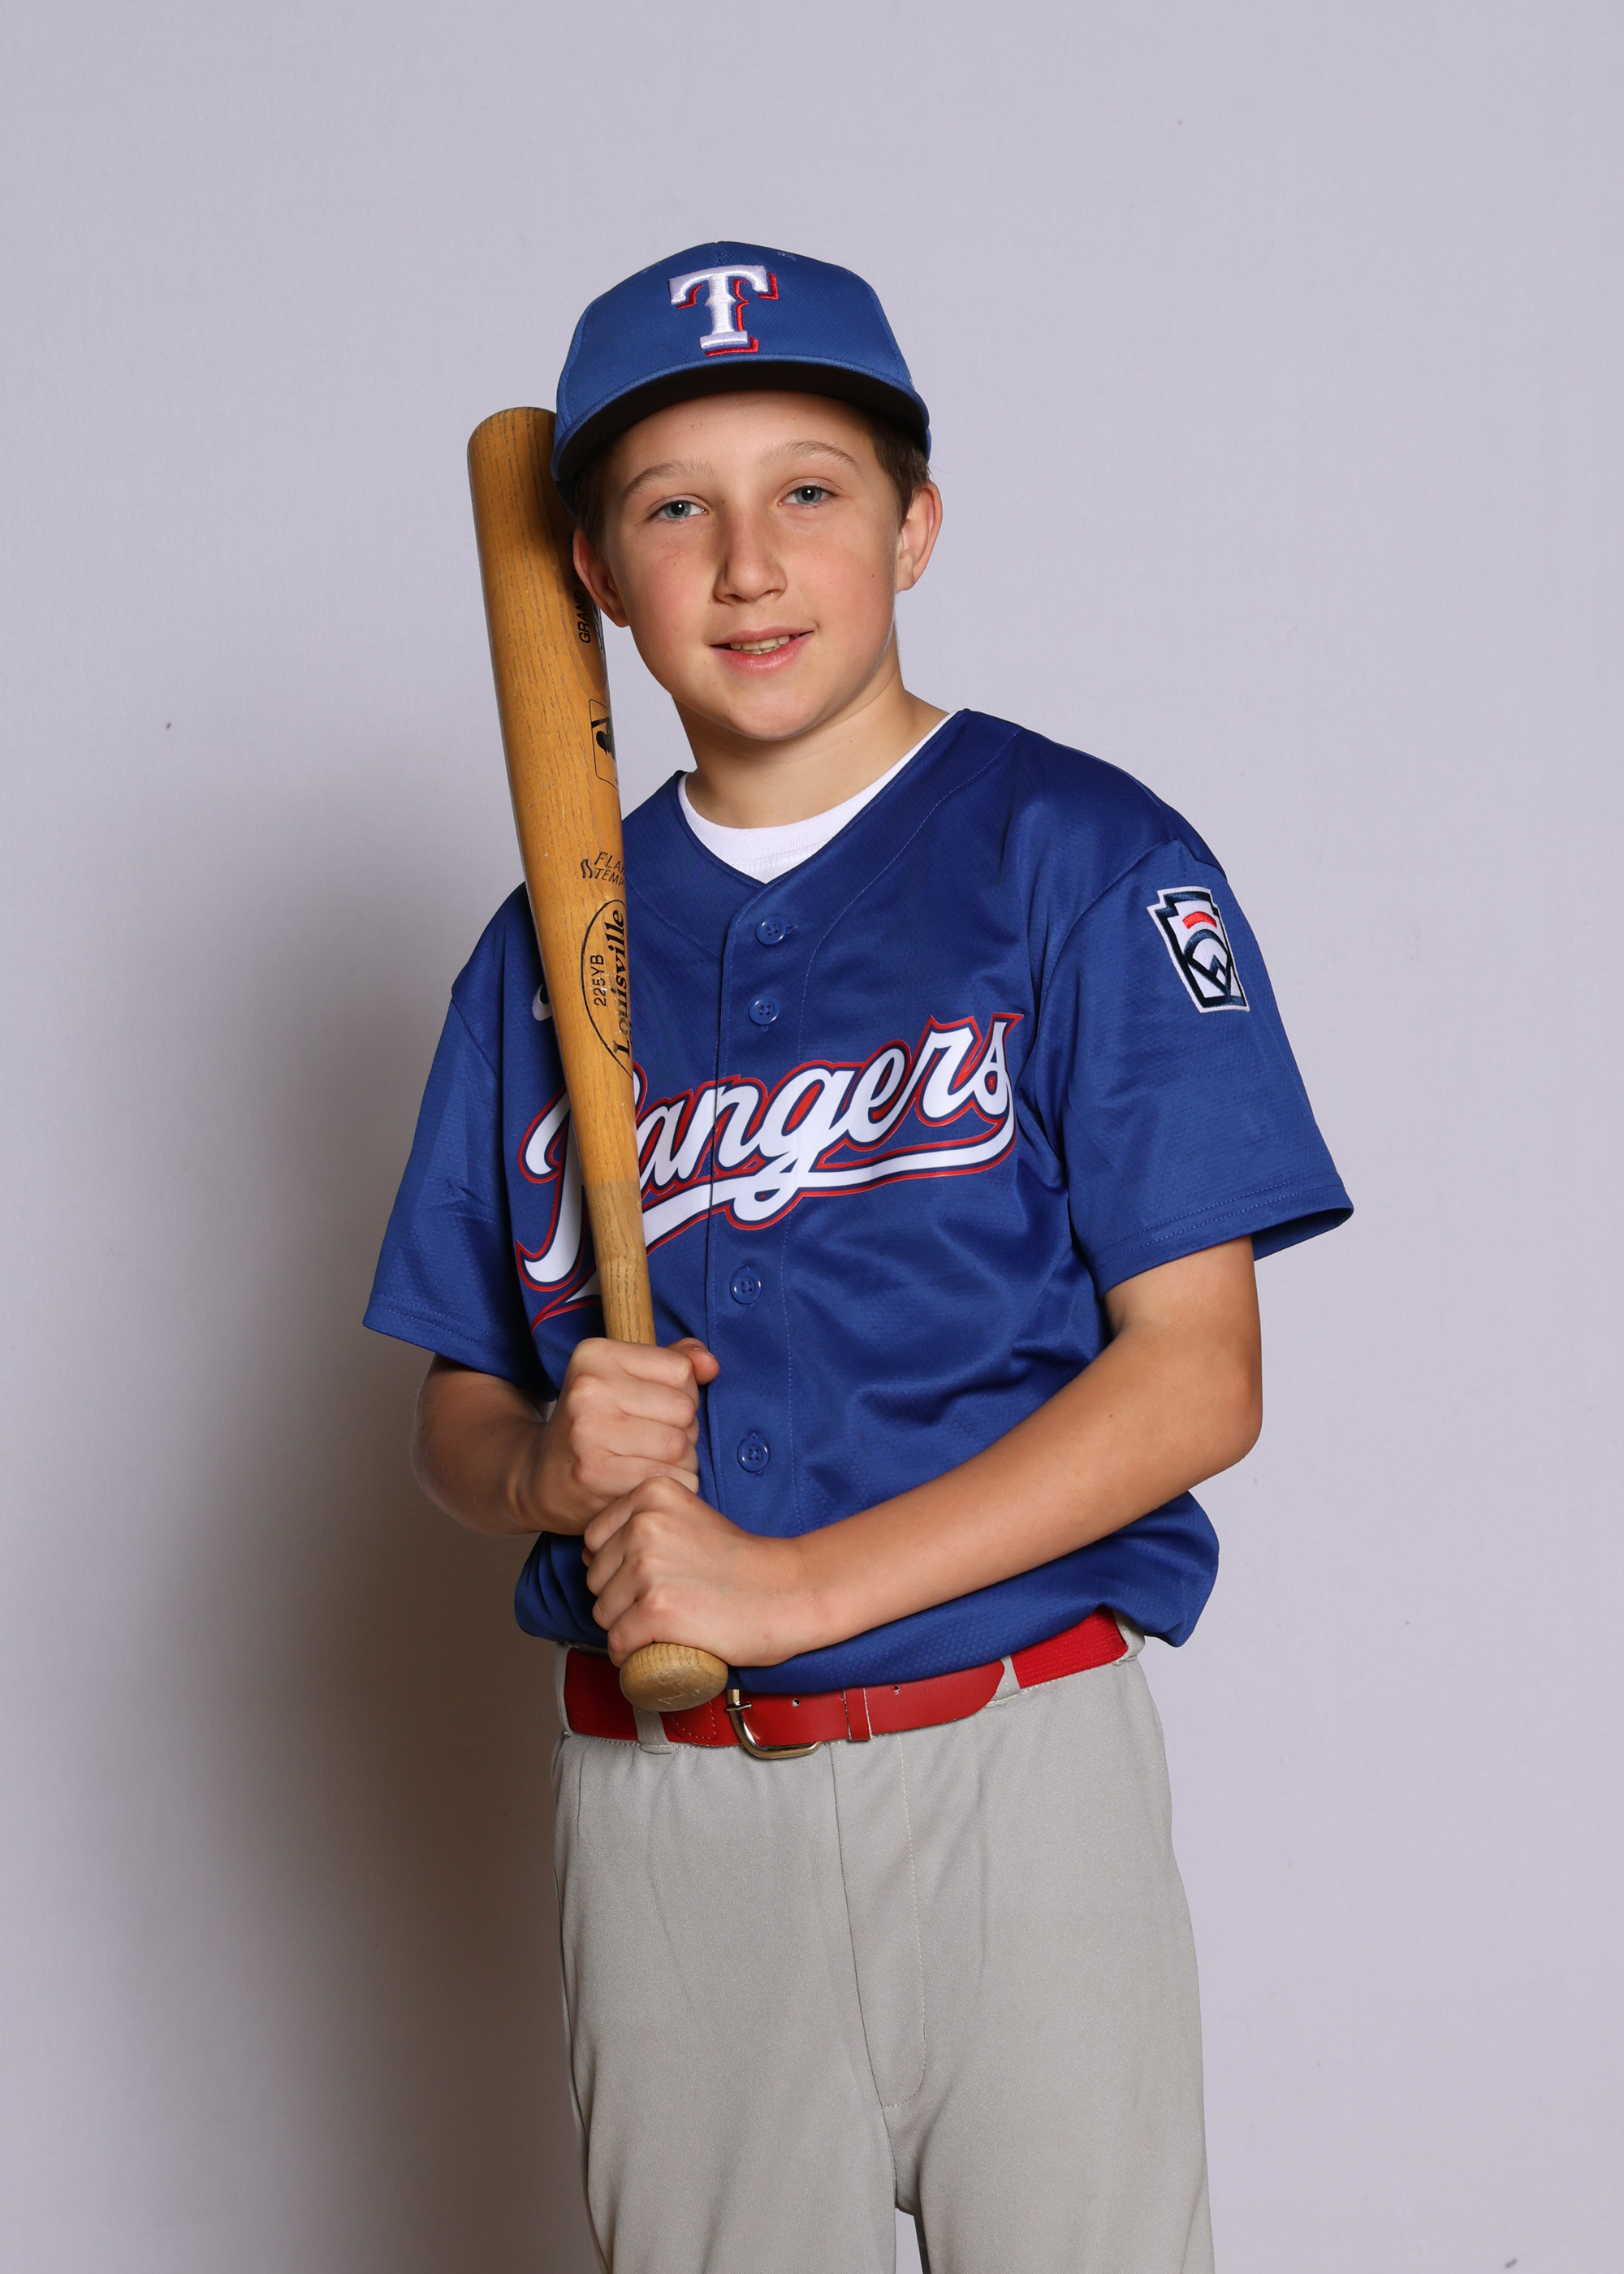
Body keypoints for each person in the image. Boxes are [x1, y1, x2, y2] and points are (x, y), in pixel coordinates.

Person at [365, 241, 1351, 2273]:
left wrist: (795, 1586)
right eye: (674, 508)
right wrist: (540, 1462)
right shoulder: (534, 953)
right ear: (591, 575)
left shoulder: (1082, 858)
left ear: (913, 524)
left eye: (807, 489)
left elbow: (1197, 1375)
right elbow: (458, 1409)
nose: (747, 564)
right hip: (667, 1812)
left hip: (1016, 1767)